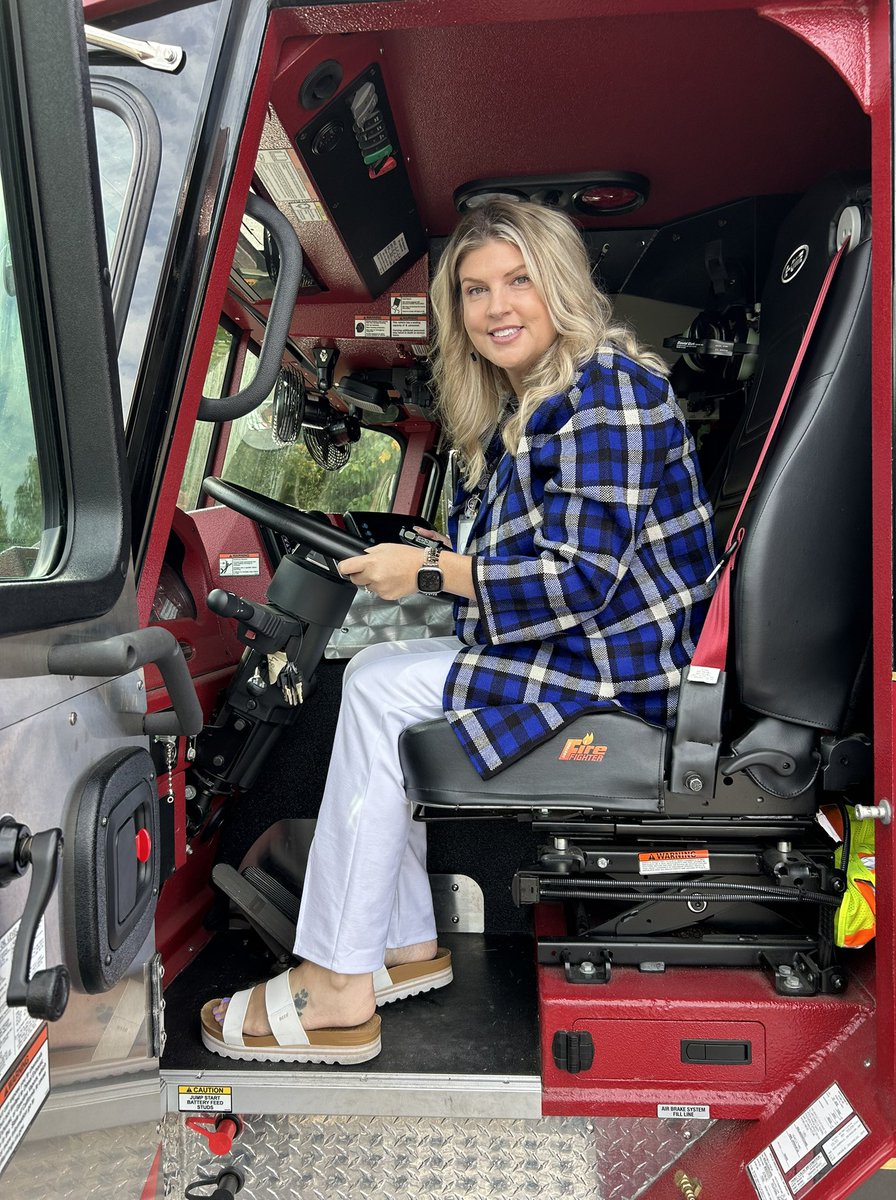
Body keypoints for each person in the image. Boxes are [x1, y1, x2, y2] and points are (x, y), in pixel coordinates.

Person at [200, 199, 716, 1063]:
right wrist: (435, 554)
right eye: (475, 290)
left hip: (616, 669)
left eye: (519, 281)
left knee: (376, 687)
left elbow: (581, 581)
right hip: (577, 647)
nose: (496, 307)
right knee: (376, 675)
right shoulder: (535, 406)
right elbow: (531, 555)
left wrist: (431, 573)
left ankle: (337, 982)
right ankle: (402, 943)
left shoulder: (607, 391)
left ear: (561, 287)